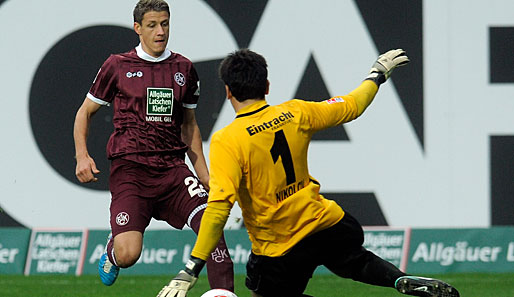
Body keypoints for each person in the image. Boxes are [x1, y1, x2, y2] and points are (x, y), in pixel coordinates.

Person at [156, 48, 461, 297]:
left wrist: (192, 266)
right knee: (353, 260)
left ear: (227, 92)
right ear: (267, 87)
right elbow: (352, 106)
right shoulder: (295, 112)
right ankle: (398, 280)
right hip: (327, 222)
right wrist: (376, 75)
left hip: (280, 245)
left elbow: (220, 207)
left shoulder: (227, 139)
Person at [73, 0, 234, 291]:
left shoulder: (184, 68)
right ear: (137, 28)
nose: (160, 31)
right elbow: (84, 112)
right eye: (152, 25)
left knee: (212, 225)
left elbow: (189, 125)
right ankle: (112, 250)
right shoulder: (117, 65)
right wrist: (82, 156)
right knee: (128, 254)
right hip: (130, 171)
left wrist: (204, 174)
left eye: (165, 24)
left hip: (172, 170)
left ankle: (224, 291)